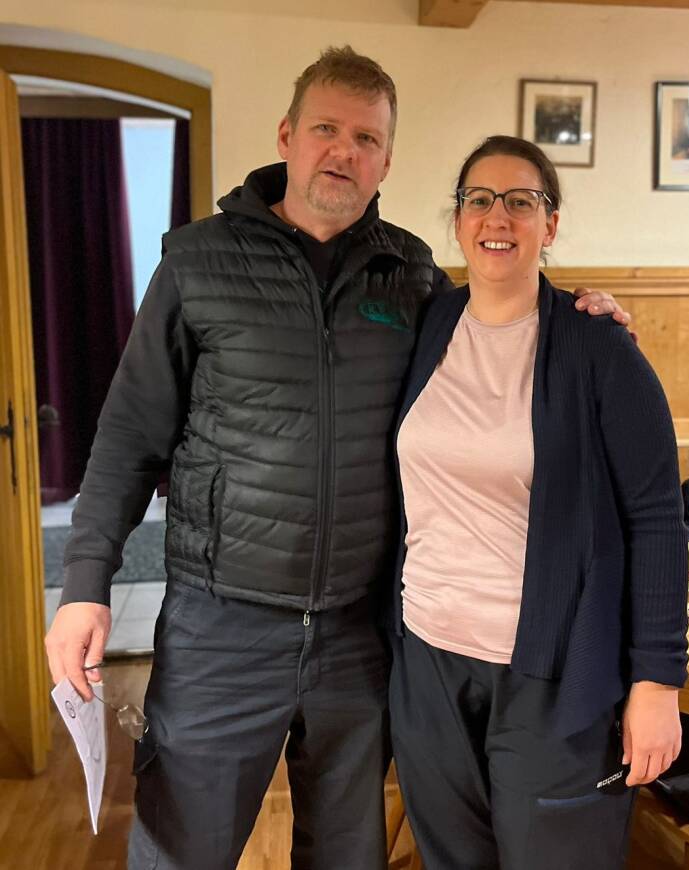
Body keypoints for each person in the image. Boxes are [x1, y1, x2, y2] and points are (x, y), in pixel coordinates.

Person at [43, 49, 628, 870]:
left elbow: (498, 329)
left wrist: (580, 315)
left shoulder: (410, 274)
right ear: (287, 136)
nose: (343, 152)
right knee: (181, 851)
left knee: (348, 855)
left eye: (366, 138)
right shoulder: (196, 262)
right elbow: (127, 438)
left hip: (360, 634)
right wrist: (84, 585)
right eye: (326, 129)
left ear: (386, 159)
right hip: (221, 630)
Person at [388, 135, 688, 870]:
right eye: (480, 199)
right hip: (427, 659)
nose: (498, 217)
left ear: (549, 224)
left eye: (520, 201)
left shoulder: (598, 348)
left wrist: (658, 681)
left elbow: (656, 518)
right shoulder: (426, 325)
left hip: (550, 675)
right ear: (458, 219)